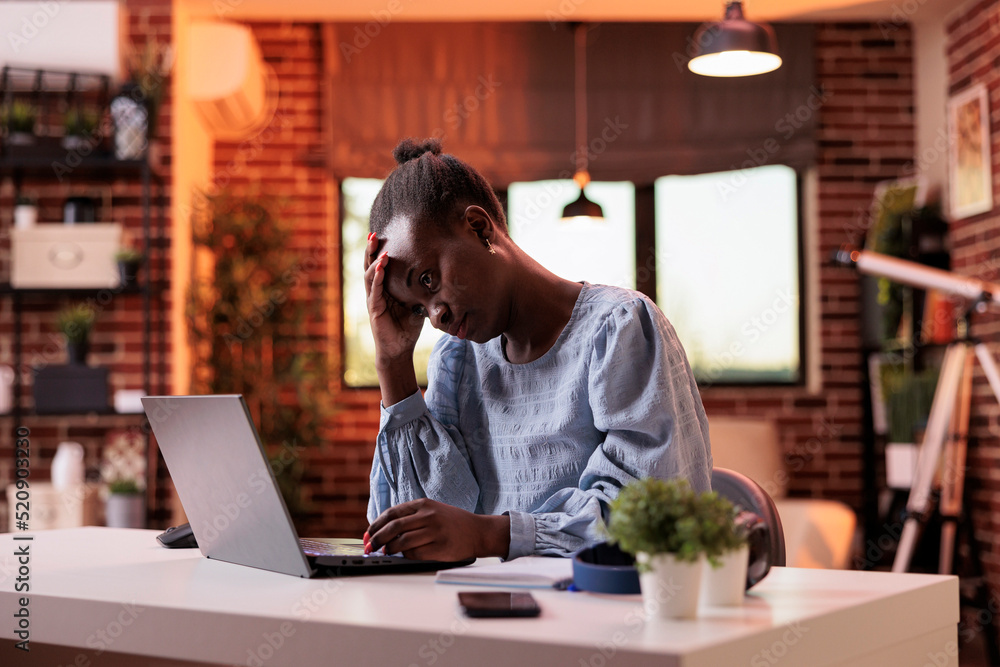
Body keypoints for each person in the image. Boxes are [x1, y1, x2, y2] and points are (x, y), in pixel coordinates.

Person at [363, 138, 712, 562]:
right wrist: (393, 363)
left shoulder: (616, 329)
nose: (435, 316)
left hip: (602, 617)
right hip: (485, 612)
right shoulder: (458, 361)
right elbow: (417, 527)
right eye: (418, 308)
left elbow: (649, 517)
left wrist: (489, 535)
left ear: (479, 227)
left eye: (429, 281)